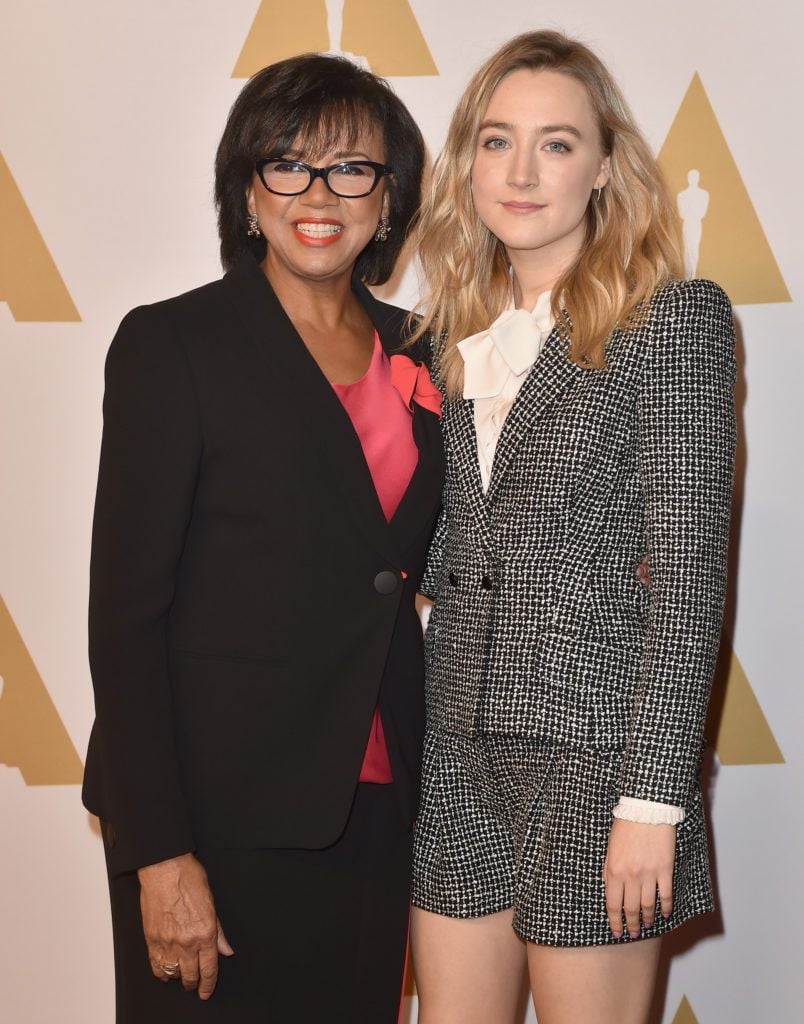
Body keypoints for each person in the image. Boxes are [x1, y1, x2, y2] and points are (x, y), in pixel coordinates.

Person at [82, 54, 443, 1023]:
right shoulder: (175, 345)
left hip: (377, 800)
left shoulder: (427, 349)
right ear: (247, 189)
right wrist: (159, 853)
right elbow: (126, 618)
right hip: (211, 810)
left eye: (351, 168)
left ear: (388, 196)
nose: (318, 194)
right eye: (287, 163)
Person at [408, 30, 736, 1024]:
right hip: (455, 747)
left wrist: (652, 803)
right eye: (496, 140)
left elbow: (689, 579)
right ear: (466, 161)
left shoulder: (671, 319)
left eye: (555, 143)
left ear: (603, 166)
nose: (520, 171)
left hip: (599, 761)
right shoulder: (442, 340)